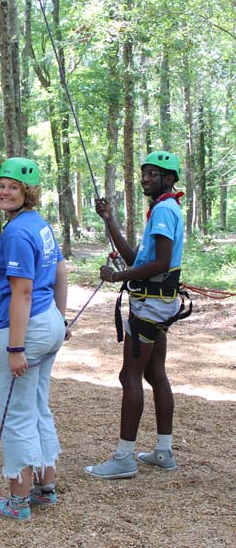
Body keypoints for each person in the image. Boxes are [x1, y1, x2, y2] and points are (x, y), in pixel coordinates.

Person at [84, 150, 187, 480]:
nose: (145, 178)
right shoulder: (165, 209)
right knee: (155, 373)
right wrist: (109, 220)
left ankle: (124, 457)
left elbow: (161, 263)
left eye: (153, 174)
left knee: (129, 375)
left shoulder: (163, 211)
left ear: (169, 179)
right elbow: (136, 259)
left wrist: (116, 277)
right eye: (144, 173)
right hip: (161, 304)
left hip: (150, 305)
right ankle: (164, 451)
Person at [0, 158, 69, 522]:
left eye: (14, 187)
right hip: (47, 322)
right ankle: (44, 488)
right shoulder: (38, 225)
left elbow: (21, 291)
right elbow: (61, 269)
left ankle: (18, 501)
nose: (5, 191)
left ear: (27, 192)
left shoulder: (17, 232)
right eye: (2, 185)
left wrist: (15, 347)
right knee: (37, 404)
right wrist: (62, 320)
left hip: (23, 327)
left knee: (14, 411)